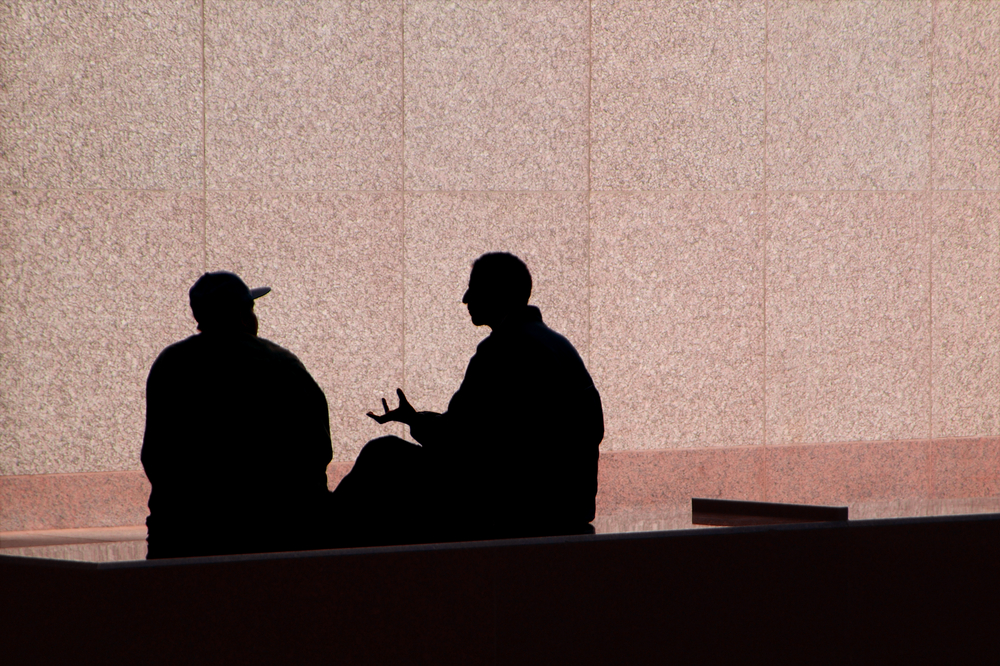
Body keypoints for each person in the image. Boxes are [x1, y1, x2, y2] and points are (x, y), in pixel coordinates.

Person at [332, 252, 603, 545]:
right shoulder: (558, 346)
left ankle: (320, 534)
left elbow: (457, 439)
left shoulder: (501, 350)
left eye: (473, 288)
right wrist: (417, 419)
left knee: (383, 454)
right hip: (567, 506)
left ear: (495, 292)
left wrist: (418, 423)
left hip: (519, 508)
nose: (465, 298)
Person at [141, 272, 333, 558]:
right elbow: (316, 449)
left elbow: (156, 455)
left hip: (182, 535)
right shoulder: (278, 364)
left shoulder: (171, 364)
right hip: (273, 536)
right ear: (244, 316)